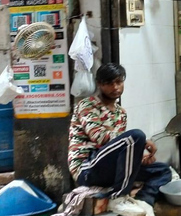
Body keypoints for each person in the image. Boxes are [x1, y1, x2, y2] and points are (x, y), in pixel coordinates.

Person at [68, 63, 171, 206]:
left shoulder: (120, 113)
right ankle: (119, 196)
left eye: (119, 82)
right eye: (109, 83)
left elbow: (121, 149)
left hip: (109, 169)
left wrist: (139, 157)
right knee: (136, 135)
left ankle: (144, 201)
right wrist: (142, 142)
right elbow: (99, 137)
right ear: (99, 84)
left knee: (162, 171)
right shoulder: (88, 105)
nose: (115, 87)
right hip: (87, 169)